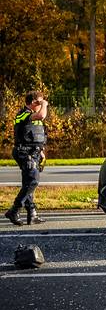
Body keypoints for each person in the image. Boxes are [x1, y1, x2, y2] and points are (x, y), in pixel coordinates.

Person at [8, 91, 49, 226]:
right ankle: (14, 210)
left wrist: (41, 151)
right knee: (32, 181)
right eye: (39, 102)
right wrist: (44, 104)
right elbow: (42, 115)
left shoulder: (34, 118)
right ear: (33, 103)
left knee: (28, 183)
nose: (41, 104)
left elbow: (36, 135)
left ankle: (32, 214)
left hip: (34, 153)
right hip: (24, 152)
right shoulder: (23, 114)